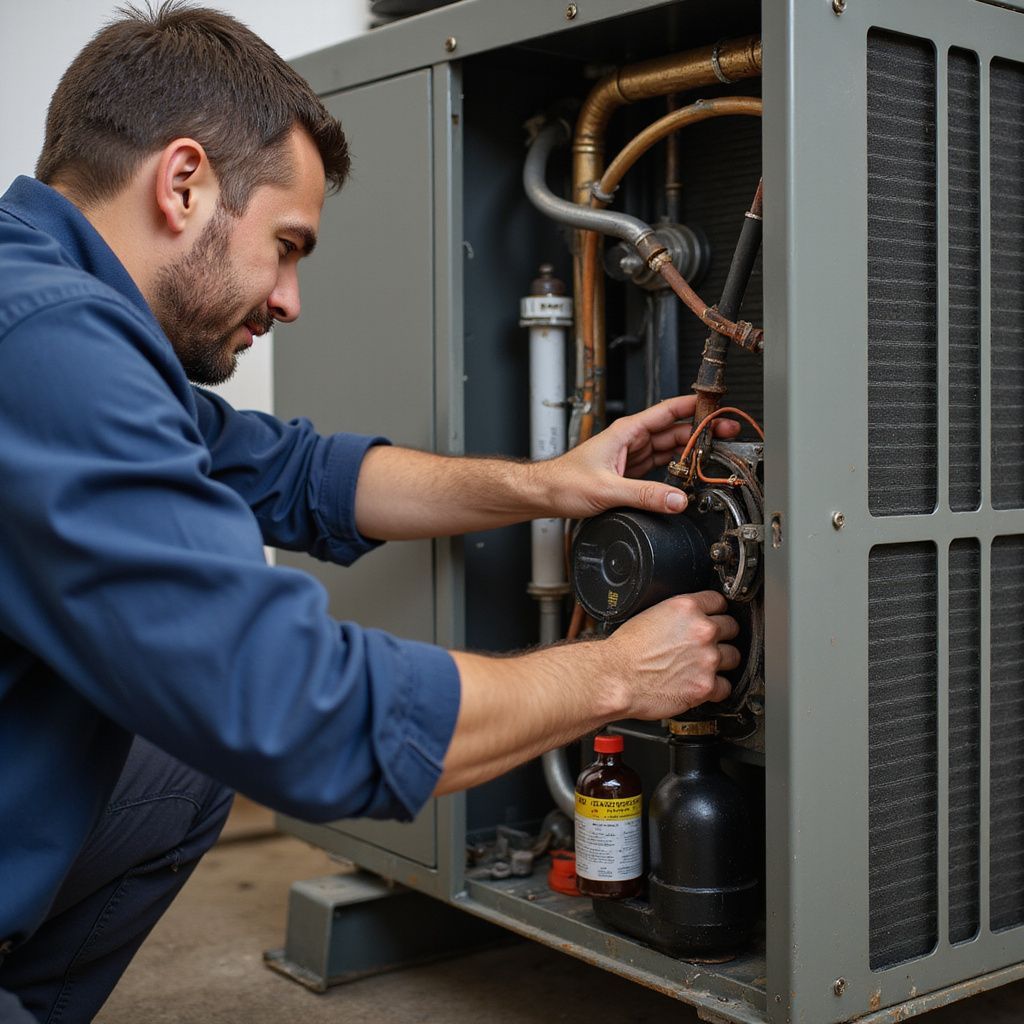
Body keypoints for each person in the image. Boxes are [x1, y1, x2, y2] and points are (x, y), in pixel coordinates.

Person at [0, 4, 740, 1021]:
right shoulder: (47, 348)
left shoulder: (54, 307)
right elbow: (290, 707)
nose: (293, 299)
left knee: (175, 766)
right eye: (287, 244)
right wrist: (617, 673)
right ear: (183, 183)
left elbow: (299, 476)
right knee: (215, 728)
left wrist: (549, 480)